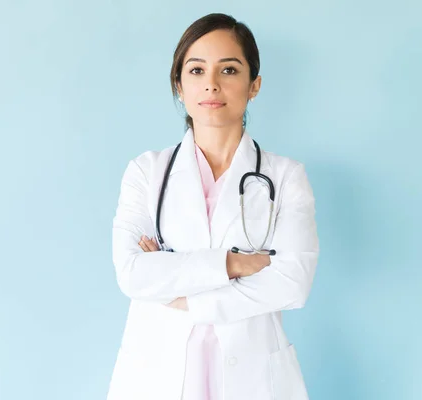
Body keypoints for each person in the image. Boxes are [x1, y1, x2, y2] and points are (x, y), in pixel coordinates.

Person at [107, 13, 319, 400]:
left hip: (253, 375)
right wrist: (232, 264)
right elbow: (133, 273)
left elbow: (293, 283)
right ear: (179, 84)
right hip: (157, 374)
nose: (211, 84)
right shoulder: (146, 172)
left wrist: (185, 294)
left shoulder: (286, 177)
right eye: (196, 69)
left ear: (254, 85)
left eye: (229, 70)